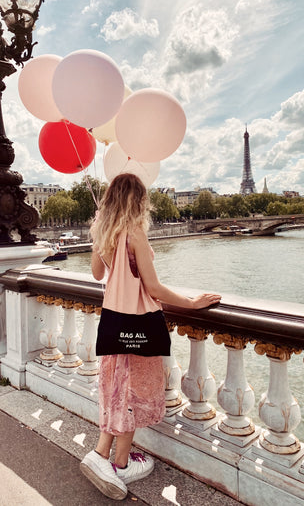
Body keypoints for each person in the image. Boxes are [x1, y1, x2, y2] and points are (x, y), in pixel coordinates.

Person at [80, 173, 221, 500]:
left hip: (113, 321)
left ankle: (111, 457)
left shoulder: (105, 233)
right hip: (139, 324)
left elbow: (97, 274)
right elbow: (153, 287)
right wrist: (191, 302)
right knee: (132, 394)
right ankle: (114, 461)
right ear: (137, 200)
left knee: (116, 388)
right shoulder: (135, 235)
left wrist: (98, 234)